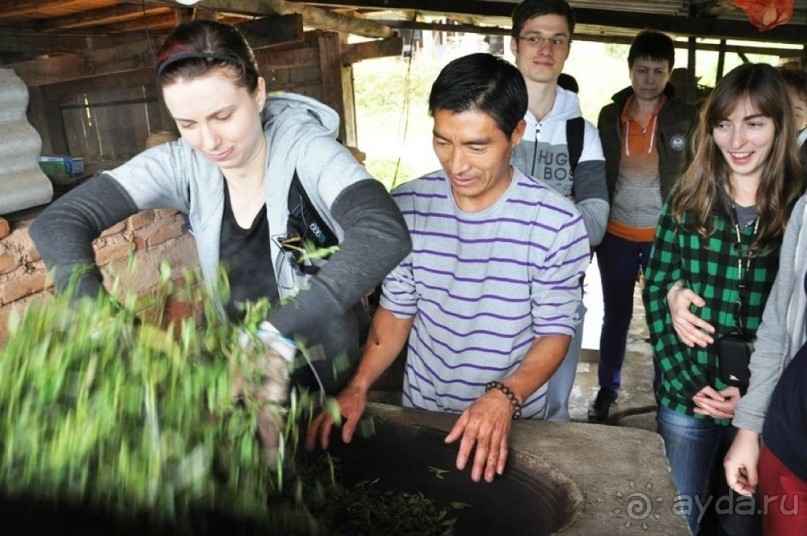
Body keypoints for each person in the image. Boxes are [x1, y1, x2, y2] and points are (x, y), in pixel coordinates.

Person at [29, 20, 411, 397]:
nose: (209, 141)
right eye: (187, 123)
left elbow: (383, 232)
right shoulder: (183, 165)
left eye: (223, 116)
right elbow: (59, 222)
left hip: (332, 383)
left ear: (258, 93)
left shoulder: (308, 151)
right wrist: (93, 311)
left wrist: (277, 332)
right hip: (243, 379)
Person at [306, 52, 590, 483]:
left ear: (516, 134)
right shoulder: (407, 206)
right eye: (444, 141)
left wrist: (503, 398)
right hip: (423, 411)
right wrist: (359, 385)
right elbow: (399, 308)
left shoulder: (556, 224)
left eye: (477, 146)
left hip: (511, 421)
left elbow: (555, 332)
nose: (457, 164)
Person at [643, 63, 802, 535]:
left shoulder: (800, 207)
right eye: (724, 124)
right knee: (681, 514)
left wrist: (754, 402)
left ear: (780, 126)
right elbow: (655, 288)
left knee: (744, 524)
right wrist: (691, 384)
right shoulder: (687, 197)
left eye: (754, 123)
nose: (737, 140)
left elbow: (796, 324)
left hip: (764, 405)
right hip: (687, 397)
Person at [590, 30, 697, 422]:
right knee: (615, 315)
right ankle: (606, 390)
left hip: (664, 238)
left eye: (658, 71)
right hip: (616, 233)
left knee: (663, 316)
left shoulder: (686, 117)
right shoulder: (608, 115)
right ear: (630, 69)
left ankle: (664, 392)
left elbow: (700, 172)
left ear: (669, 73)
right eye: (642, 70)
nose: (649, 79)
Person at [509, 0, 608, 422]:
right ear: (514, 45)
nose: (544, 49)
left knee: (552, 417)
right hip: (489, 292)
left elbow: (597, 224)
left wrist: (514, 212)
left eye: (557, 40)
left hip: (560, 298)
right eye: (534, 37)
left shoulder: (581, 133)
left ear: (568, 48)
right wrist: (560, 210)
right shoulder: (487, 117)